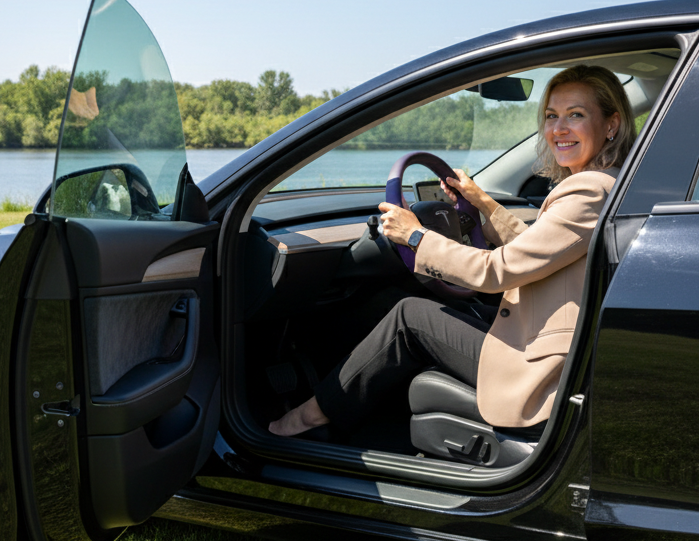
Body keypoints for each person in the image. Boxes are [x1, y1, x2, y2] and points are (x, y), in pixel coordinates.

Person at [269, 65, 635, 438]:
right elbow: (538, 248)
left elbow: (496, 272)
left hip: (543, 372)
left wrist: (415, 236)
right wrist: (481, 203)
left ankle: (307, 418)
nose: (558, 129)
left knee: (409, 316)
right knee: (450, 307)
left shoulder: (587, 191)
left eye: (576, 115)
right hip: (556, 346)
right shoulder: (612, 183)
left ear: (611, 125)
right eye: (552, 116)